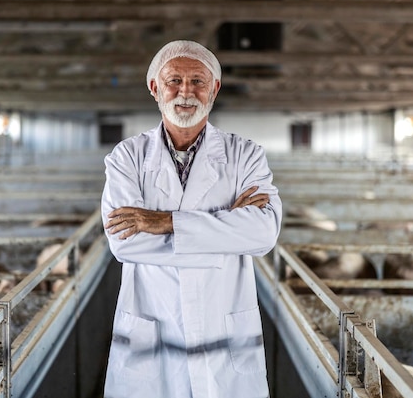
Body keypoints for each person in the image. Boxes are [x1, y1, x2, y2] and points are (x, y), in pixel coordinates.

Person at [101, 39, 282, 398]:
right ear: (155, 88)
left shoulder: (245, 155)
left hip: (224, 328)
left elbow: (262, 234)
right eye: (174, 81)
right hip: (151, 331)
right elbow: (126, 244)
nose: (186, 92)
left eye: (198, 81)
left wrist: (164, 222)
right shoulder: (127, 157)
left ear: (214, 89)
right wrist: (226, 232)